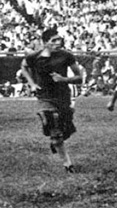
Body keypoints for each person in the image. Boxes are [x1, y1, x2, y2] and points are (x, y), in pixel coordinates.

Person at [20, 28, 83, 173]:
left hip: (63, 96)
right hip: (45, 96)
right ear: (45, 43)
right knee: (51, 120)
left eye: (59, 39)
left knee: (65, 130)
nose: (58, 42)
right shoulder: (34, 56)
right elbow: (24, 66)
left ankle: (56, 137)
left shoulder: (66, 56)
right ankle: (68, 164)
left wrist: (64, 79)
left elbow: (79, 78)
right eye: (53, 40)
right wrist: (32, 83)